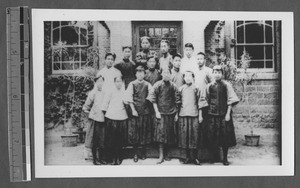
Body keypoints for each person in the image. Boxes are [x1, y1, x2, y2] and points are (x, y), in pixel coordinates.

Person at [198, 65, 239, 166]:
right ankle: (213, 157)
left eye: (219, 72)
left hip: (224, 115)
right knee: (212, 137)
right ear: (212, 74)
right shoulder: (209, 86)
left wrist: (228, 113)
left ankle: (225, 158)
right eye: (215, 72)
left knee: (225, 137)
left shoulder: (226, 85)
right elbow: (204, 100)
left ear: (222, 74)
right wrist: (203, 115)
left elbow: (230, 99)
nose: (217, 74)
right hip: (212, 115)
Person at [148, 69, 178, 164]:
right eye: (164, 73)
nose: (166, 75)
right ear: (162, 74)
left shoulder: (173, 86)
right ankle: (161, 155)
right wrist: (156, 111)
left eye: (168, 73)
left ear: (170, 74)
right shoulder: (157, 85)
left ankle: (167, 154)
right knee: (160, 134)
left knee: (169, 134)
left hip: (170, 113)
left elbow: (177, 100)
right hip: (160, 113)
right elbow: (153, 99)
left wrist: (176, 114)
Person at [124, 65, 153, 162]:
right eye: (138, 72)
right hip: (135, 112)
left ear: (145, 74)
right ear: (135, 74)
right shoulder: (132, 84)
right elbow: (129, 98)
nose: (140, 74)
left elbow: (151, 96)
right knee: (135, 133)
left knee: (144, 132)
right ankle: (135, 153)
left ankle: (143, 152)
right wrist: (133, 110)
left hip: (145, 111)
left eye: (142, 72)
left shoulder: (148, 84)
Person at [176, 71, 201, 165]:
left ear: (193, 77)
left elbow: (200, 102)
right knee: (184, 136)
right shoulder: (180, 89)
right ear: (184, 78)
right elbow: (177, 102)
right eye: (186, 76)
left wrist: (200, 115)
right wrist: (177, 114)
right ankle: (186, 157)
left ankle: (194, 157)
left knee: (194, 136)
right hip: (183, 115)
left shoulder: (196, 88)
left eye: (190, 76)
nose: (188, 78)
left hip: (194, 115)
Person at [102, 76, 128, 165]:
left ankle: (119, 157)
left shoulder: (125, 91)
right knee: (111, 139)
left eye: (120, 81)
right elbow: (105, 104)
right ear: (114, 82)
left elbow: (127, 103)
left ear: (122, 82)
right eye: (117, 81)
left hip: (122, 117)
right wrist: (107, 115)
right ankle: (112, 158)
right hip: (111, 118)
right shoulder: (110, 91)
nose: (118, 83)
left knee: (120, 139)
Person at [82, 75, 106, 165]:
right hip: (94, 120)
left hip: (103, 119)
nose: (100, 83)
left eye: (102, 81)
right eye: (98, 81)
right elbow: (86, 107)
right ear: (96, 83)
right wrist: (91, 115)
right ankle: (95, 160)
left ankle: (101, 158)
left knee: (102, 139)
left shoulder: (105, 93)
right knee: (94, 139)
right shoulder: (92, 93)